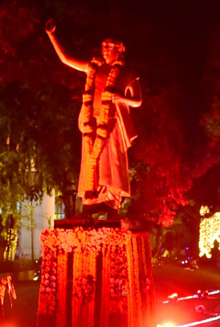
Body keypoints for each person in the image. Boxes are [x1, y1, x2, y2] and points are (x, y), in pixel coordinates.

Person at [46, 21, 142, 216]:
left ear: (120, 50)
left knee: (111, 164)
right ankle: (91, 201)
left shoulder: (128, 72)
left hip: (113, 122)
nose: (105, 50)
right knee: (92, 162)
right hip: (92, 122)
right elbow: (66, 59)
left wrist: (121, 97)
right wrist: (51, 35)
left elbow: (138, 101)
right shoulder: (93, 68)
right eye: (103, 46)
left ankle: (111, 203)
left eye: (109, 47)